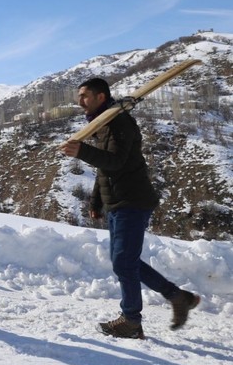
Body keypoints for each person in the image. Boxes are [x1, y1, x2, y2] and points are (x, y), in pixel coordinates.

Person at [60, 77, 200, 339]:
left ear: (101, 97)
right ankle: (177, 297)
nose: (80, 102)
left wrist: (81, 152)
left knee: (124, 262)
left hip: (132, 200)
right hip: (117, 201)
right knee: (125, 261)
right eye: (79, 96)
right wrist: (97, 201)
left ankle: (131, 321)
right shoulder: (102, 123)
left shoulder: (118, 122)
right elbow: (106, 168)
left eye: (85, 96)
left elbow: (117, 161)